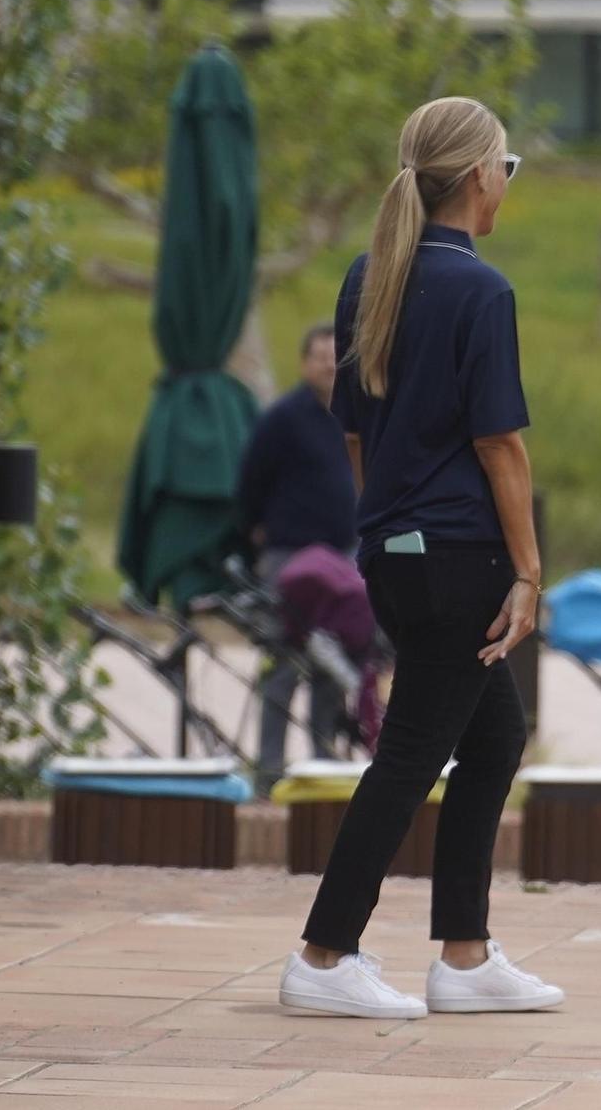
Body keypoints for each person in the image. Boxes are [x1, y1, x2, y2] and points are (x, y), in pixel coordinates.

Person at [277, 96, 563, 1020]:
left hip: (396, 554)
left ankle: (466, 954)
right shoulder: (481, 290)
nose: (505, 184)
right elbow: (501, 446)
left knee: (492, 737)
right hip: (461, 560)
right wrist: (528, 571)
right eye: (505, 168)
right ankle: (323, 956)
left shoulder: (371, 277)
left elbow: (355, 430)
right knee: (409, 755)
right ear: (481, 177)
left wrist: (383, 524)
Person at [236, 323, 360, 789]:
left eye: (337, 356)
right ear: (304, 363)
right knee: (284, 661)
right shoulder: (282, 418)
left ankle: (322, 765)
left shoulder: (358, 414)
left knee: (334, 664)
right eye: (321, 356)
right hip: (289, 560)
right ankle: (269, 771)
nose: (331, 364)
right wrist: (258, 534)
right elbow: (250, 484)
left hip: (344, 561)